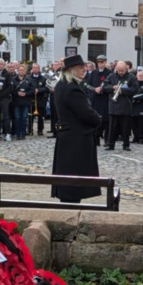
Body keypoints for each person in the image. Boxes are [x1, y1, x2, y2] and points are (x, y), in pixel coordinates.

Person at [51, 54, 102, 203]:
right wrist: (97, 119)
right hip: (76, 138)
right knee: (73, 176)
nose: (84, 70)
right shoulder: (72, 89)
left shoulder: (62, 85)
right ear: (72, 70)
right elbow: (85, 113)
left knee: (68, 174)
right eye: (81, 68)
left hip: (68, 135)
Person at [104, 60, 135, 151]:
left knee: (125, 127)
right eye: (119, 70)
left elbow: (135, 89)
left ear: (126, 69)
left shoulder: (131, 77)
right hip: (113, 105)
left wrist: (123, 91)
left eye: (122, 70)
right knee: (112, 127)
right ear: (116, 69)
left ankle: (126, 144)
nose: (120, 72)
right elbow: (105, 86)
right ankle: (111, 144)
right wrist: (112, 87)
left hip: (126, 105)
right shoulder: (111, 76)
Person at [86, 54, 112, 146]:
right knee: (96, 119)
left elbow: (111, 85)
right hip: (95, 99)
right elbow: (88, 85)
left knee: (106, 121)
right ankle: (95, 139)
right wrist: (94, 90)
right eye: (98, 62)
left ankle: (107, 140)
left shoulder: (110, 73)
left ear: (105, 62)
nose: (100, 64)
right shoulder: (93, 73)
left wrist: (103, 89)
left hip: (105, 99)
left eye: (102, 62)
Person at [26, 63, 48, 137]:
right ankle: (29, 130)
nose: (35, 69)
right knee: (30, 116)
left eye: (37, 68)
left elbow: (46, 88)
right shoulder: (28, 78)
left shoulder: (43, 78)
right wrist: (32, 91)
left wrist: (39, 90)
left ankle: (40, 130)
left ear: (39, 69)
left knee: (40, 116)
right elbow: (27, 87)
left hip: (40, 99)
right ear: (32, 69)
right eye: (34, 68)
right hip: (31, 99)